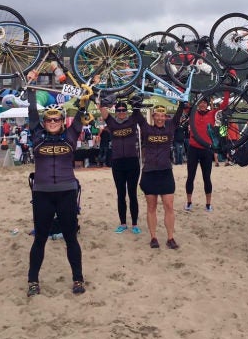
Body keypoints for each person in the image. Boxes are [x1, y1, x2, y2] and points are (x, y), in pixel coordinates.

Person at [24, 93, 95, 294]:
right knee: (40, 239)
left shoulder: (71, 136)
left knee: (71, 238)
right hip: (42, 194)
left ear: (63, 122)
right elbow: (32, 114)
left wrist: (86, 95)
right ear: (44, 122)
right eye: (49, 119)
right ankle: (33, 281)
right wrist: (30, 88)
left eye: (57, 119)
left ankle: (78, 279)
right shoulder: (37, 135)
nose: (53, 122)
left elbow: (82, 113)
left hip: (66, 193)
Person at [132, 102, 183, 249]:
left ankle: (170, 238)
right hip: (149, 172)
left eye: (163, 116)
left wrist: (182, 104)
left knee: (169, 206)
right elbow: (138, 117)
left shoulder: (170, 128)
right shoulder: (147, 129)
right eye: (157, 115)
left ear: (166, 117)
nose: (160, 118)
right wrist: (136, 106)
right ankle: (153, 237)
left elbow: (178, 116)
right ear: (153, 116)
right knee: (151, 207)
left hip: (165, 171)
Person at [184, 91, 230, 211]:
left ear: (207, 104)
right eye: (201, 102)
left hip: (206, 150)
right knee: (190, 177)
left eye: (204, 102)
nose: (203, 104)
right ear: (198, 104)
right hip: (193, 149)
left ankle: (208, 204)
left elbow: (224, 105)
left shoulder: (212, 113)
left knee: (206, 177)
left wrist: (226, 90)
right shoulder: (191, 113)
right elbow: (183, 103)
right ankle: (189, 202)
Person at [102, 99, 142, 233]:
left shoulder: (132, 120)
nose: (121, 112)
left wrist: (137, 100)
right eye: (118, 110)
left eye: (123, 110)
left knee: (132, 194)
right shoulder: (112, 123)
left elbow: (136, 109)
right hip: (118, 163)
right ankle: (123, 223)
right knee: (120, 194)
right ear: (115, 111)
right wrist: (99, 100)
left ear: (126, 111)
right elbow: (103, 112)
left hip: (132, 162)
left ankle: (135, 224)